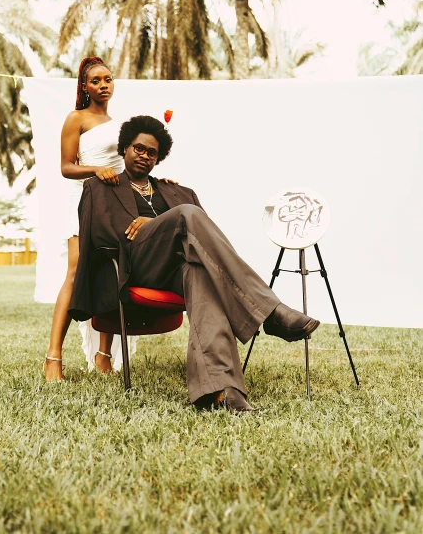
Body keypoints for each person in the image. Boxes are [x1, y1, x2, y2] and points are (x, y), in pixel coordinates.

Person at [68, 115, 320, 414]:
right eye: (139, 148)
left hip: (176, 271)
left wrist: (162, 217)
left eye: (152, 153)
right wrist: (161, 225)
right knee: (185, 214)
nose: (145, 156)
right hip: (133, 264)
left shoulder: (176, 192)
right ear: (124, 148)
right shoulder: (100, 188)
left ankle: (221, 391)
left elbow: (205, 242)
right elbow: (98, 235)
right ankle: (270, 311)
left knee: (201, 273)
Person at [43, 56, 123, 381]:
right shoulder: (76, 118)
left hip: (112, 205)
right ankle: (53, 358)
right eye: (96, 81)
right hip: (80, 200)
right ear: (85, 86)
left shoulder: (119, 123)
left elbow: (124, 169)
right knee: (75, 273)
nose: (103, 85)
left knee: (111, 275)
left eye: (108, 79)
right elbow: (66, 167)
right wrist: (95, 169)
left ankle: (103, 356)